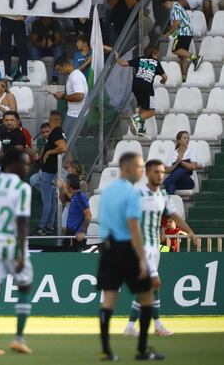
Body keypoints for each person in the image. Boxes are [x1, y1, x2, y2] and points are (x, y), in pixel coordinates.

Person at [97, 152, 163, 361]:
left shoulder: (106, 193)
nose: (141, 171)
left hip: (107, 249)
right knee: (147, 298)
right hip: (128, 249)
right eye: (139, 167)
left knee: (108, 301)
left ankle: (106, 351)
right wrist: (142, 259)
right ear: (126, 169)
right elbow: (134, 227)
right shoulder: (132, 194)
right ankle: (142, 350)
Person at [123, 159, 197, 337]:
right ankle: (157, 325)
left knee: (149, 288)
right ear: (148, 173)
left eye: (162, 172)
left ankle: (131, 326)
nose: (160, 175)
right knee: (155, 282)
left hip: (156, 246)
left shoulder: (163, 193)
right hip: (143, 247)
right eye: (156, 172)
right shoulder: (139, 194)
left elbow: (174, 216)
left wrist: (191, 232)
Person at [0, 148, 33, 355]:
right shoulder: (21, 188)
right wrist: (20, 251)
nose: (27, 167)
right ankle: (18, 338)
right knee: (25, 286)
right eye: (25, 163)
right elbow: (21, 220)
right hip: (12, 241)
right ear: (14, 164)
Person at [114, 46, 167, 137]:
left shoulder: (140, 59)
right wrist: (163, 81)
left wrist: (117, 58)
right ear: (153, 53)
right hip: (147, 86)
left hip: (136, 85)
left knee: (143, 108)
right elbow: (165, 77)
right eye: (157, 54)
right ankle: (135, 119)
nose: (157, 57)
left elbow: (123, 64)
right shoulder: (156, 62)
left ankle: (141, 129)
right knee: (151, 112)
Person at [31, 111, 66, 235]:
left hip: (49, 171)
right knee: (51, 200)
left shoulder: (56, 132)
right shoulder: (59, 132)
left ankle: (41, 227)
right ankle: (49, 226)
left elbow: (62, 147)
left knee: (47, 201)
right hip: (52, 171)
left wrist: (48, 153)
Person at [161, 0, 199, 81]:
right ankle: (184, 78)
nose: (165, 7)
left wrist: (169, 33)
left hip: (183, 32)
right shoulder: (177, 6)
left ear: (167, 2)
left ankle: (196, 58)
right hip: (187, 32)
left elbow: (177, 23)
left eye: (164, 5)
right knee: (183, 56)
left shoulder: (174, 8)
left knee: (175, 50)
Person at [59, 173, 91, 251]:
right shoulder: (75, 196)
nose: (65, 184)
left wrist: (82, 232)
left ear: (69, 184)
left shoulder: (80, 197)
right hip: (70, 234)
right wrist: (61, 188)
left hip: (77, 236)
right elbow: (63, 200)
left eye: (66, 182)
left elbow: (88, 215)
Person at [53, 56, 88, 124]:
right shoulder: (73, 75)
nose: (59, 72)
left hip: (77, 115)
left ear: (65, 66)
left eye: (59, 70)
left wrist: (63, 96)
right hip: (74, 114)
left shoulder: (76, 76)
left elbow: (79, 96)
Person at [162, 131, 199, 195]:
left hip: (187, 182)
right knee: (171, 187)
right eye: (184, 138)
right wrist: (176, 164)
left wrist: (182, 162)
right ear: (179, 140)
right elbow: (166, 170)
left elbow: (194, 167)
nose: (187, 140)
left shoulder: (191, 152)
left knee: (180, 171)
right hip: (175, 182)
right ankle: (169, 204)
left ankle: (161, 186)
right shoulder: (172, 153)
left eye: (188, 138)